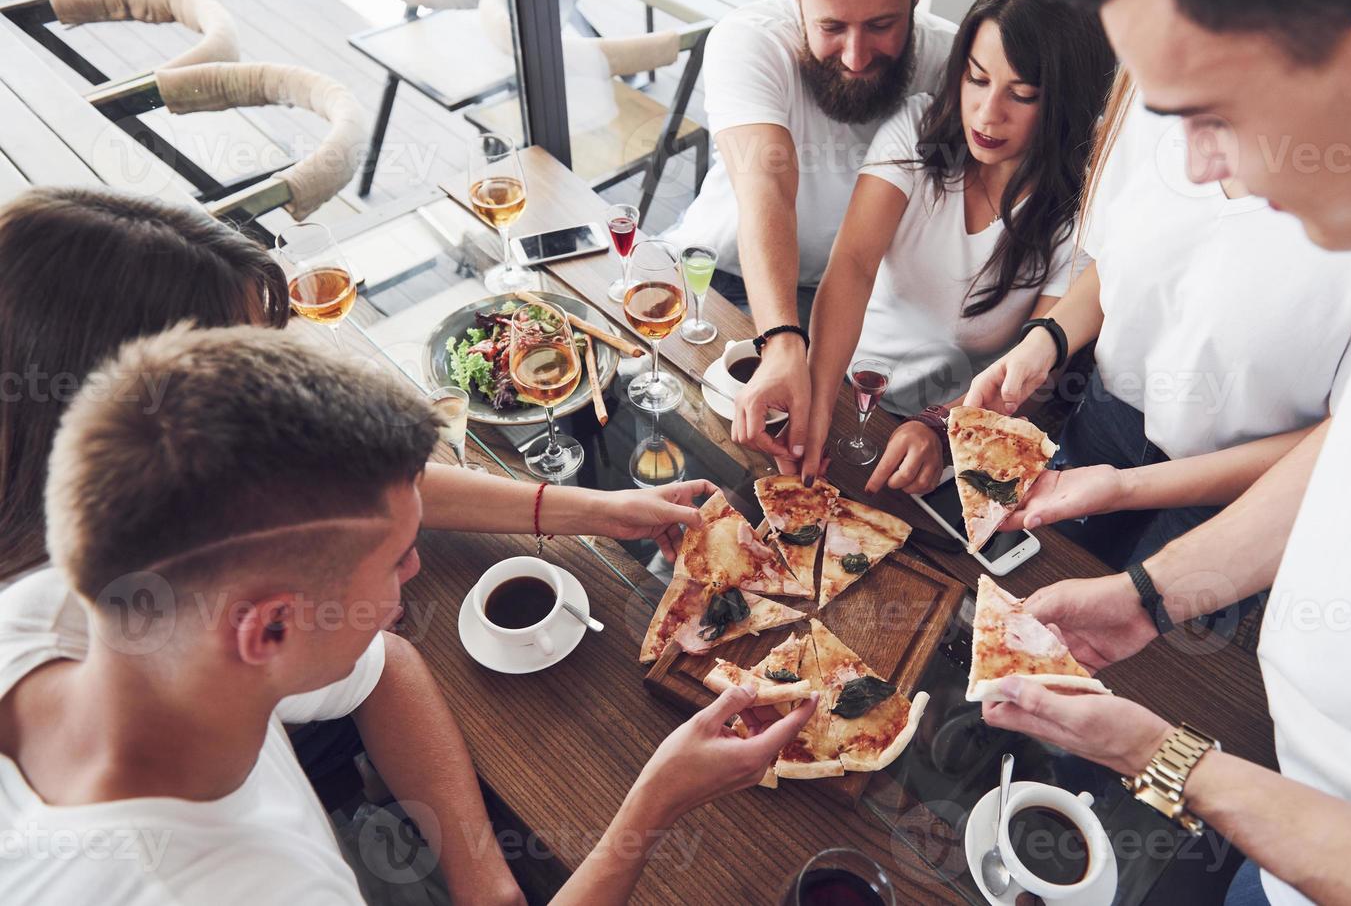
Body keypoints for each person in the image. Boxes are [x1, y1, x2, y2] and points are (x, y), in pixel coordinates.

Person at [978, 0, 1351, 905]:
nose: (1196, 168)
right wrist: (1146, 596)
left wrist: (1172, 760)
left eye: (1211, 117)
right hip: (1288, 805)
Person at [0, 324, 816, 904]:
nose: (417, 568)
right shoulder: (236, 886)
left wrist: (487, 886)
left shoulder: (81, 615)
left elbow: (382, 663)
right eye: (396, 559)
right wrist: (654, 806)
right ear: (269, 629)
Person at [0, 187, 714, 586]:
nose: (269, 381)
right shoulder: (79, 620)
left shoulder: (186, 446)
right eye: (242, 361)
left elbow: (357, 476)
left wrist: (600, 510)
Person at [962, 70, 1351, 570]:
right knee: (1018, 591)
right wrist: (1046, 341)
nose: (1198, 169)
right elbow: (1123, 262)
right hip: (1102, 421)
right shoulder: (1151, 86)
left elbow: (1346, 436)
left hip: (1238, 494)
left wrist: (1125, 489)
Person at [800, 0, 1113, 494]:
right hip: (848, 388)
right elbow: (851, 265)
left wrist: (940, 426)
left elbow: (1038, 376)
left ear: (1065, 102)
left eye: (1021, 95)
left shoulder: (1078, 212)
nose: (987, 114)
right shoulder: (917, 129)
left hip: (958, 431)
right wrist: (818, 401)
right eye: (977, 78)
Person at [661, 0, 957, 465]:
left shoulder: (955, 62)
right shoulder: (748, 39)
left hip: (848, 303)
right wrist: (781, 338)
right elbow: (768, 187)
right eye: (831, 26)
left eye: (882, 25)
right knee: (693, 453)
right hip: (721, 277)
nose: (856, 55)